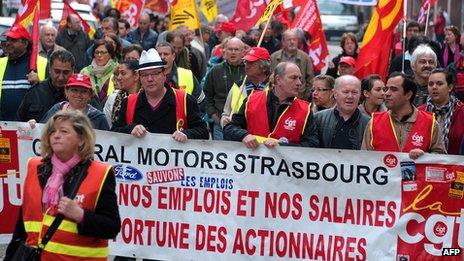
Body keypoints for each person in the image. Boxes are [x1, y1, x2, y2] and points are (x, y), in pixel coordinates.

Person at [5, 110, 120, 260]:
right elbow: (22, 226)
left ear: (81, 139)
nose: (56, 135)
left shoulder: (100, 173)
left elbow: (112, 227)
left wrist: (81, 215)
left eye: (64, 131)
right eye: (52, 131)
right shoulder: (35, 167)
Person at [111, 48, 208, 141]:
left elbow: (203, 132)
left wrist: (187, 134)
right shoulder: (128, 102)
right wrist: (130, 129)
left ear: (164, 74)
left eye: (155, 74)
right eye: (144, 75)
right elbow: (113, 133)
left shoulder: (185, 100)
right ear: (139, 77)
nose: (150, 79)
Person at [223, 62, 319, 148]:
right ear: (278, 80)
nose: (299, 83)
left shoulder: (305, 110)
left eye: (300, 78)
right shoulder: (252, 100)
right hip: (253, 163)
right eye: (293, 78)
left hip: (284, 166)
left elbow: (312, 144)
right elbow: (229, 128)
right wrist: (244, 135)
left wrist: (282, 146)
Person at [362, 72, 446, 159]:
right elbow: (364, 159)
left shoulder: (430, 122)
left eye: (393, 89)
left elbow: (441, 158)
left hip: (417, 172)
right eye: (386, 89)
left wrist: (425, 156)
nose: (386, 93)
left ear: (408, 95)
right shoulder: (374, 122)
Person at [0, 24, 48, 120]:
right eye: (8, 39)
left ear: (25, 43)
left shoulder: (42, 63)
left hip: (30, 128)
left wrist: (39, 83)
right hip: (3, 127)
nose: (8, 43)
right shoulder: (1, 63)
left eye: (13, 40)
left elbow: (51, 94)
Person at [204, 37, 246, 140]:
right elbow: (207, 95)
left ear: (243, 52)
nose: (233, 52)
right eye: (230, 49)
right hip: (220, 123)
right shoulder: (215, 70)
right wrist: (213, 115)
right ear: (225, 51)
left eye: (236, 50)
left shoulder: (248, 71)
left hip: (243, 125)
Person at [314, 75, 369, 150]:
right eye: (345, 92)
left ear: (360, 95)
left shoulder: (369, 124)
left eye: (354, 92)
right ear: (335, 94)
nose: (350, 96)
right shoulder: (318, 119)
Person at [18, 50, 75, 121]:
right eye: (57, 72)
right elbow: (20, 123)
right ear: (50, 69)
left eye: (65, 73)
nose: (61, 77)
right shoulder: (35, 93)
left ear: (73, 72)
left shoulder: (79, 96)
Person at [221, 47, 271, 127]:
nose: (247, 66)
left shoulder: (273, 88)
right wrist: (225, 121)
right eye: (246, 62)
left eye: (251, 63)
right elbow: (226, 114)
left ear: (264, 67)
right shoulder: (237, 86)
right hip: (239, 136)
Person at [40, 74, 110, 130]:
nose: (78, 95)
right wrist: (32, 127)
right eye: (74, 90)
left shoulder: (99, 118)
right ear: (66, 92)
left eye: (84, 91)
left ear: (90, 95)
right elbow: (41, 131)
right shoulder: (56, 109)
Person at [418, 68, 464, 155]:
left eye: (439, 84)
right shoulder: (419, 112)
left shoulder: (461, 111)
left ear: (450, 87)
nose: (434, 87)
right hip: (425, 165)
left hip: (457, 165)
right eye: (431, 84)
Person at [270, 29, 314, 100]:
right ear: (283, 42)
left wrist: (306, 97)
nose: (292, 42)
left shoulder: (305, 57)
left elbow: (310, 79)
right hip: (278, 98)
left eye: (294, 39)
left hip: (300, 98)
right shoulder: (274, 57)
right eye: (289, 40)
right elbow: (270, 79)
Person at [104, 60, 140, 127]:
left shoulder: (147, 98)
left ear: (136, 76)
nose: (118, 78)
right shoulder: (113, 98)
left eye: (123, 73)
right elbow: (108, 128)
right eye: (118, 74)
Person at [80, 39, 118, 104]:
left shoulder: (117, 70)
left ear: (110, 54)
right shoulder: (85, 72)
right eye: (97, 52)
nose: (99, 55)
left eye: (103, 52)